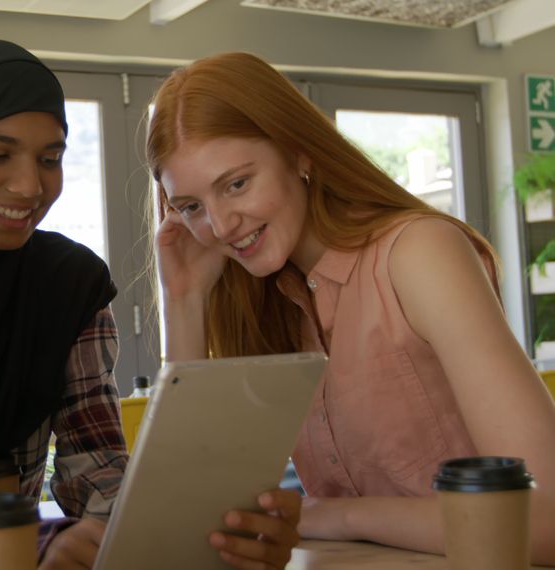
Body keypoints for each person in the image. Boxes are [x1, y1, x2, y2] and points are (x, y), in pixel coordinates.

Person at [0, 39, 301, 570]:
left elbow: (95, 464)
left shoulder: (69, 284)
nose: (28, 185)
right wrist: (22, 539)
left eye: (50, 159)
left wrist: (164, 523)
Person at [148, 51, 555, 563]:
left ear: (299, 154)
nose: (222, 225)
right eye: (191, 207)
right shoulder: (263, 301)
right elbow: (196, 522)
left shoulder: (418, 253)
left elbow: (544, 518)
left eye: (236, 183)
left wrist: (333, 514)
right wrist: (184, 300)